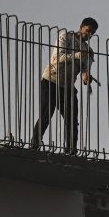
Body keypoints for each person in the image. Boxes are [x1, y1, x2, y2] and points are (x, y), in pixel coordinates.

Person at [30, 17, 98, 154]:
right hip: (51, 80)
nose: (89, 35)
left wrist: (86, 78)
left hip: (67, 86)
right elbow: (56, 58)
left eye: (92, 33)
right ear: (81, 27)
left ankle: (71, 150)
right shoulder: (65, 37)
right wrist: (77, 55)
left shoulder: (88, 50)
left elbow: (85, 70)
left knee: (71, 119)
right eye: (87, 31)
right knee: (46, 114)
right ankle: (35, 144)